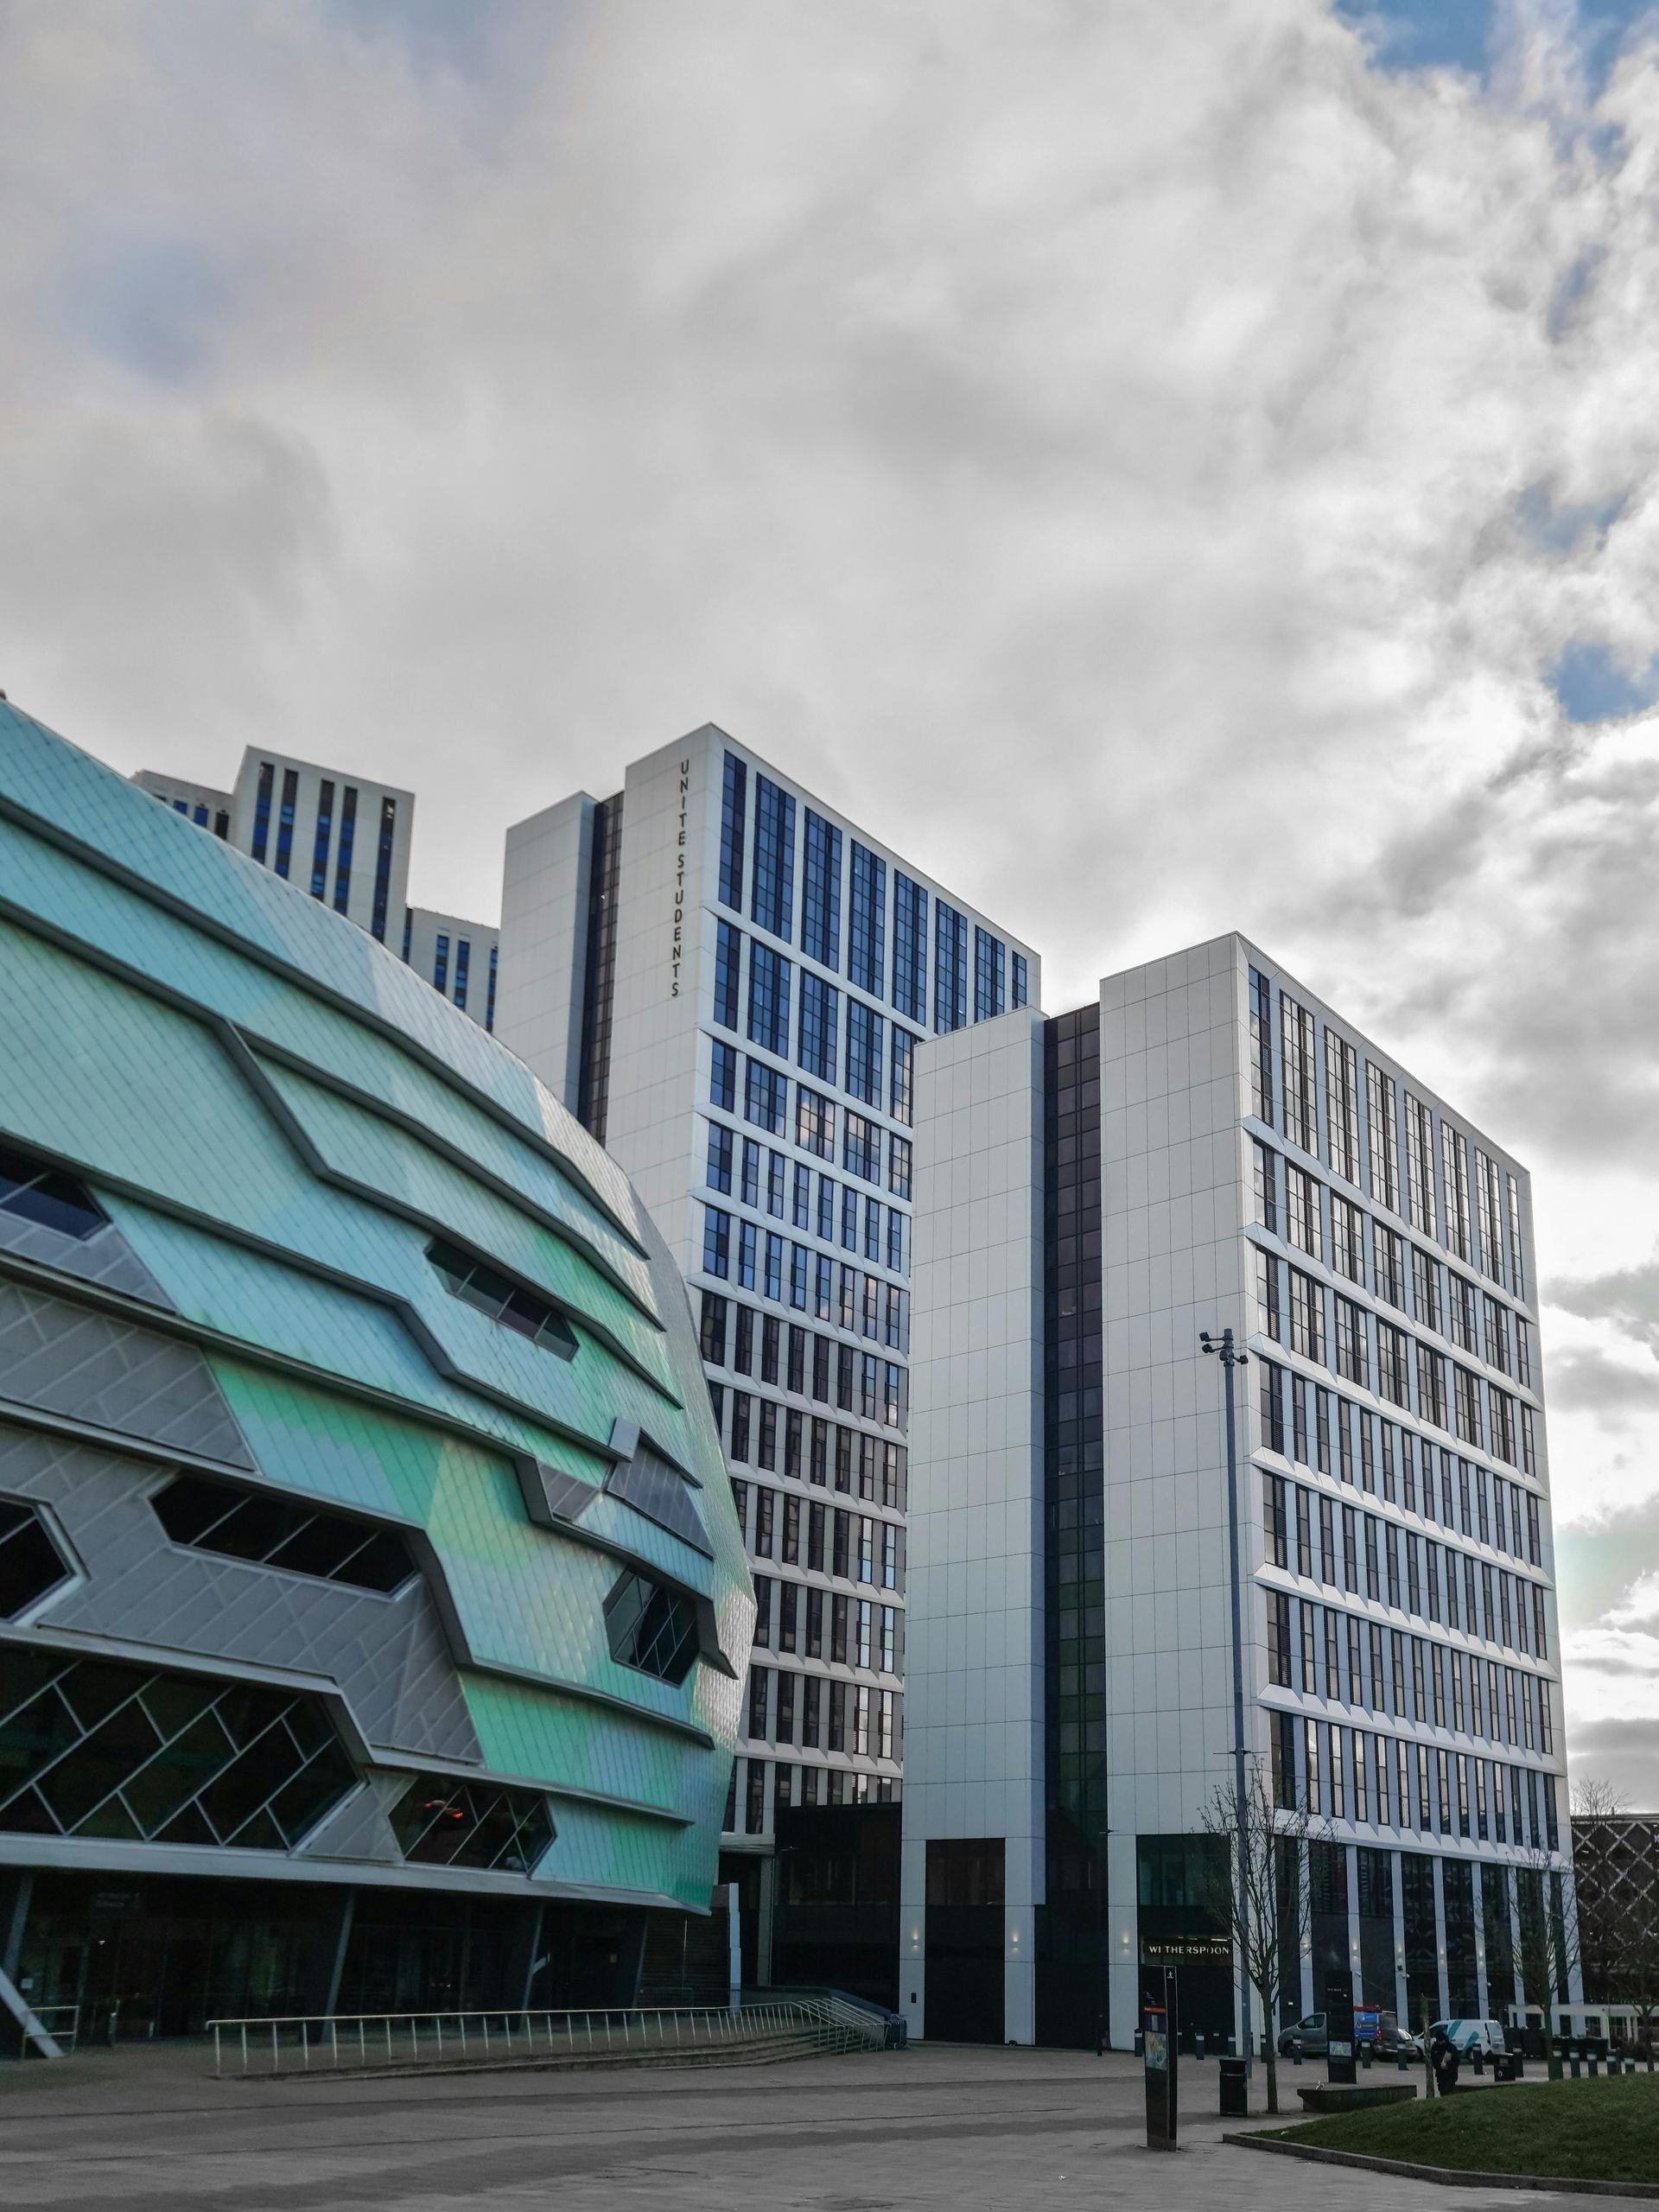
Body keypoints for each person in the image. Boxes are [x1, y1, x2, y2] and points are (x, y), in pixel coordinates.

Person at [1431, 2028, 1460, 2097]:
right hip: (1441, 2074)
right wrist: (1439, 2065)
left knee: (1449, 2090)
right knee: (1442, 2089)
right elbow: (1433, 2060)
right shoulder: (1435, 2047)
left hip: (1451, 2074)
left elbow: (1456, 2061)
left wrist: (1447, 2065)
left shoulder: (1451, 2048)